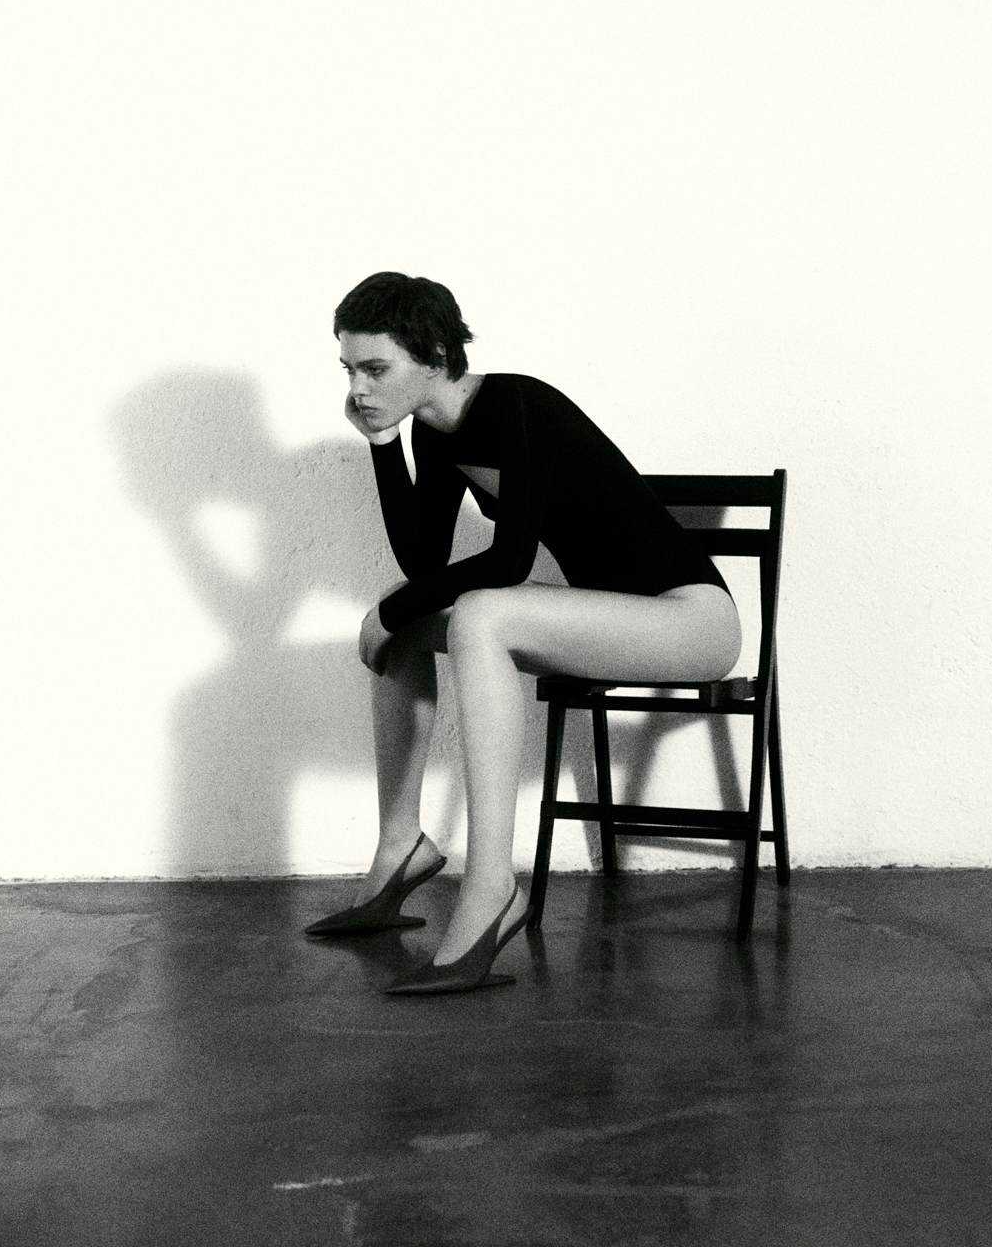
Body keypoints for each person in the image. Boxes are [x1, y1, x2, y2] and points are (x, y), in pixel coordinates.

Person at [305, 271, 741, 994]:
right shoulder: (434, 431)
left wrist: (393, 610)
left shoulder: (517, 404)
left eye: (375, 369)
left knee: (472, 609)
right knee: (409, 617)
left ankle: (492, 889)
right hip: (608, 615)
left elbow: (508, 562)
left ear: (435, 354)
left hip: (690, 619)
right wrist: (384, 442)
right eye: (349, 370)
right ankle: (401, 845)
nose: (358, 388)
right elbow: (423, 561)